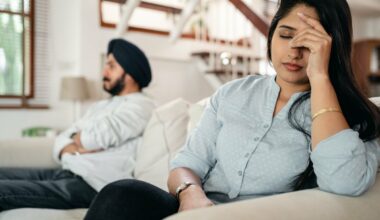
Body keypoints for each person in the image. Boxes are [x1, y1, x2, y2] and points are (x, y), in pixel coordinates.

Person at [84, 1, 380, 219]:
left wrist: (320, 77)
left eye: (310, 43)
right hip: (194, 208)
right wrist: (191, 196)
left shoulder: (353, 116)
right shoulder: (232, 93)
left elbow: (344, 181)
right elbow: (186, 164)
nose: (293, 51)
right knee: (119, 194)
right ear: (272, 35)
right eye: (286, 35)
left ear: (331, 46)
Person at [0, 38, 155, 211]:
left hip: (90, 185)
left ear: (131, 73)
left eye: (111, 66)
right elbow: (62, 138)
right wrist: (75, 143)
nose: (104, 71)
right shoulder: (101, 105)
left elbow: (92, 138)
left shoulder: (142, 106)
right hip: (65, 171)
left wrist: (80, 139)